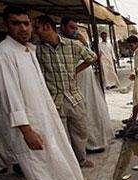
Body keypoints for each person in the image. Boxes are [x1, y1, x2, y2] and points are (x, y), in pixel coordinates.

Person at [0, 6, 90, 180]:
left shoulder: (28, 50)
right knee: (43, 169)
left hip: (45, 118)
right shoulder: (4, 52)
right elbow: (9, 95)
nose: (23, 28)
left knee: (55, 163)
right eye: (16, 23)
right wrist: (26, 130)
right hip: (29, 125)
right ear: (5, 25)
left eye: (26, 23)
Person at [34, 15, 96, 168]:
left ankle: (81, 159)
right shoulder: (37, 50)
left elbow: (93, 57)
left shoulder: (72, 45)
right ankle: (68, 164)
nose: (34, 32)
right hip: (54, 100)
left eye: (37, 28)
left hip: (74, 97)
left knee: (80, 132)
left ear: (47, 27)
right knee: (61, 136)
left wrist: (76, 70)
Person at [60, 17, 113, 153]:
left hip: (86, 79)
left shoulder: (79, 41)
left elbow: (92, 58)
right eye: (72, 27)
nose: (75, 31)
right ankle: (83, 146)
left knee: (92, 108)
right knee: (79, 112)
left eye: (76, 28)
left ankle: (95, 142)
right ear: (63, 27)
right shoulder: (60, 43)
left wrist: (84, 43)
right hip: (74, 82)